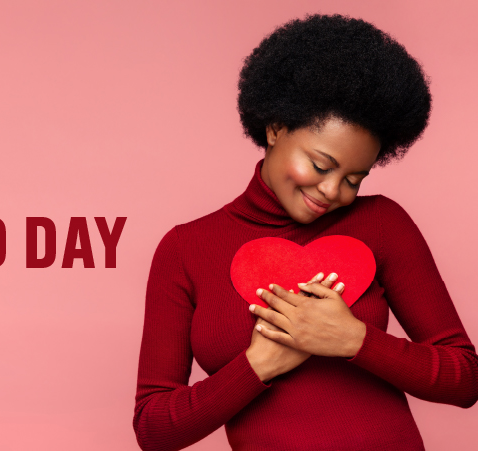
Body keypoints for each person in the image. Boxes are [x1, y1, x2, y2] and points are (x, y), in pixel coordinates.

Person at [132, 14, 478, 451]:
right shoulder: (186, 249)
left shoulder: (383, 224)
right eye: (321, 165)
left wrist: (354, 340)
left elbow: (465, 378)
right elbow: (153, 429)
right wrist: (259, 365)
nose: (333, 191)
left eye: (355, 179)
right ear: (276, 128)